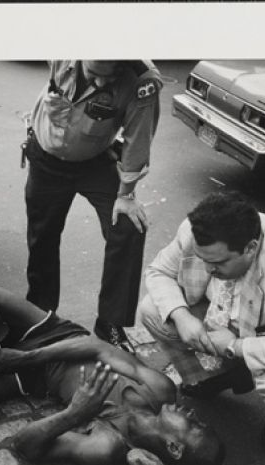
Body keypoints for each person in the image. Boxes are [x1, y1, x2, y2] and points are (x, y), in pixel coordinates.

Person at [0, 277, 225, 465]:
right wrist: (25, 356)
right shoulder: (161, 391)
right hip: (58, 336)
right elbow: (95, 346)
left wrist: (74, 413)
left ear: (174, 447)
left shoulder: (107, 445)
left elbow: (24, 445)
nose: (192, 412)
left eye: (193, 424)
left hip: (37, 378)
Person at [138, 192, 265, 456]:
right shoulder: (196, 232)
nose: (208, 269)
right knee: (153, 310)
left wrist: (235, 346)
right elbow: (158, 272)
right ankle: (215, 377)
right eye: (203, 259)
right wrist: (182, 315)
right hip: (225, 319)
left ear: (250, 248)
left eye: (218, 262)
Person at [23, 60, 162, 349]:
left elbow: (138, 138)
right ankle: (40, 314)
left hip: (96, 162)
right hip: (46, 158)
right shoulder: (62, 46)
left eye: (108, 77)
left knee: (127, 227)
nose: (100, 83)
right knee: (42, 237)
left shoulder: (141, 80)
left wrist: (125, 196)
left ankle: (110, 323)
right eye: (94, 74)